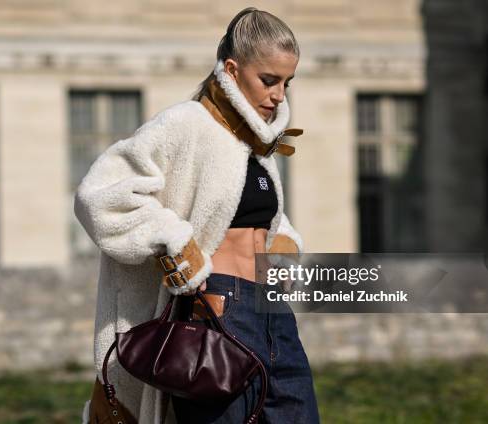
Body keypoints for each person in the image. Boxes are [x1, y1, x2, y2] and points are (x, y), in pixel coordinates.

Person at [76, 7, 320, 424]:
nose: (279, 95)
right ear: (232, 68)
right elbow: (98, 194)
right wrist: (174, 241)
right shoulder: (186, 124)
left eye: (286, 82)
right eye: (269, 80)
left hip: (272, 312)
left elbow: (253, 215)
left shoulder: (256, 144)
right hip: (218, 309)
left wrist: (284, 243)